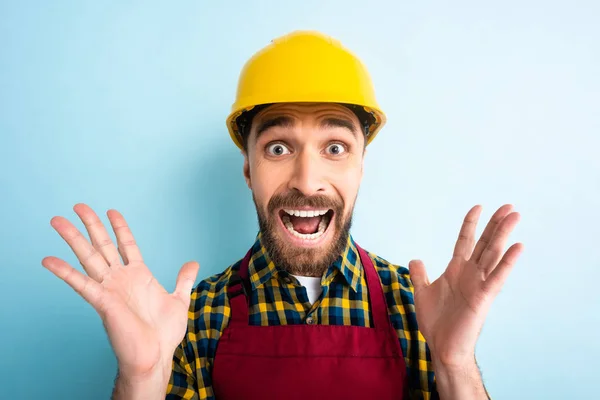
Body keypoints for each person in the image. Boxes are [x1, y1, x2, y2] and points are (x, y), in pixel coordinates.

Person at [42, 30, 523, 400]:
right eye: (278, 147)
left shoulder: (417, 309)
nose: (307, 180)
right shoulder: (191, 318)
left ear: (360, 169)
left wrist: (455, 362)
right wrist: (141, 378)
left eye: (335, 148)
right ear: (249, 170)